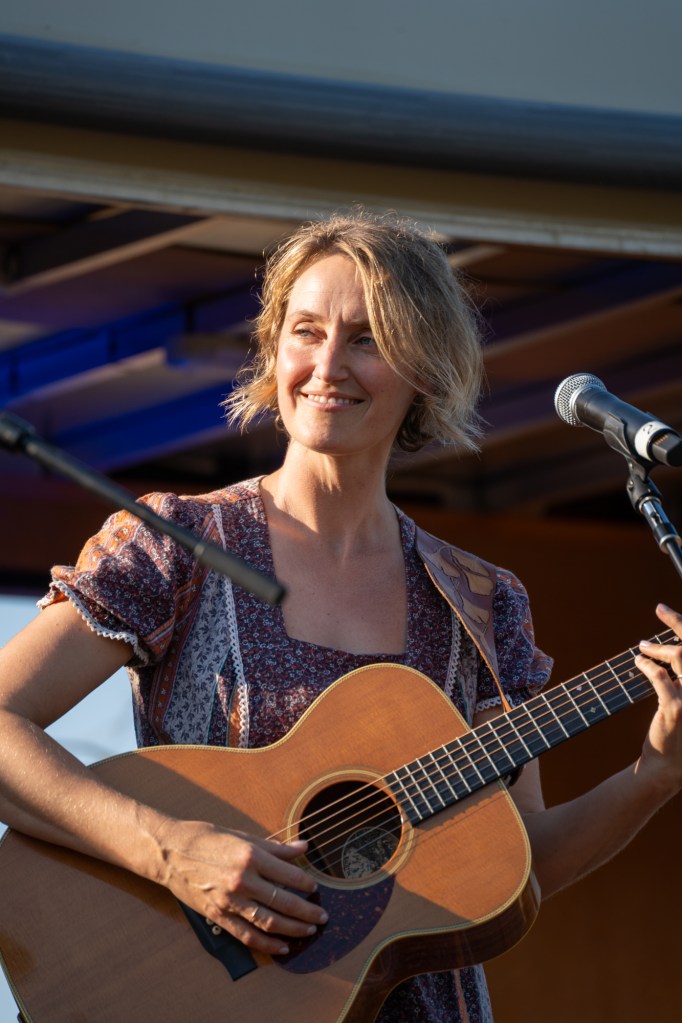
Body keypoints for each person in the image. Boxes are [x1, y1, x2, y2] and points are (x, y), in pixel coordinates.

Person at [0, 210, 681, 1023]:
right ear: (273, 348)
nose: (327, 366)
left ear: (425, 367)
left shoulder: (481, 598)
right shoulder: (177, 545)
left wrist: (657, 771)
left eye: (367, 340)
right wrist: (173, 849)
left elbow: (520, 862)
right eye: (307, 331)